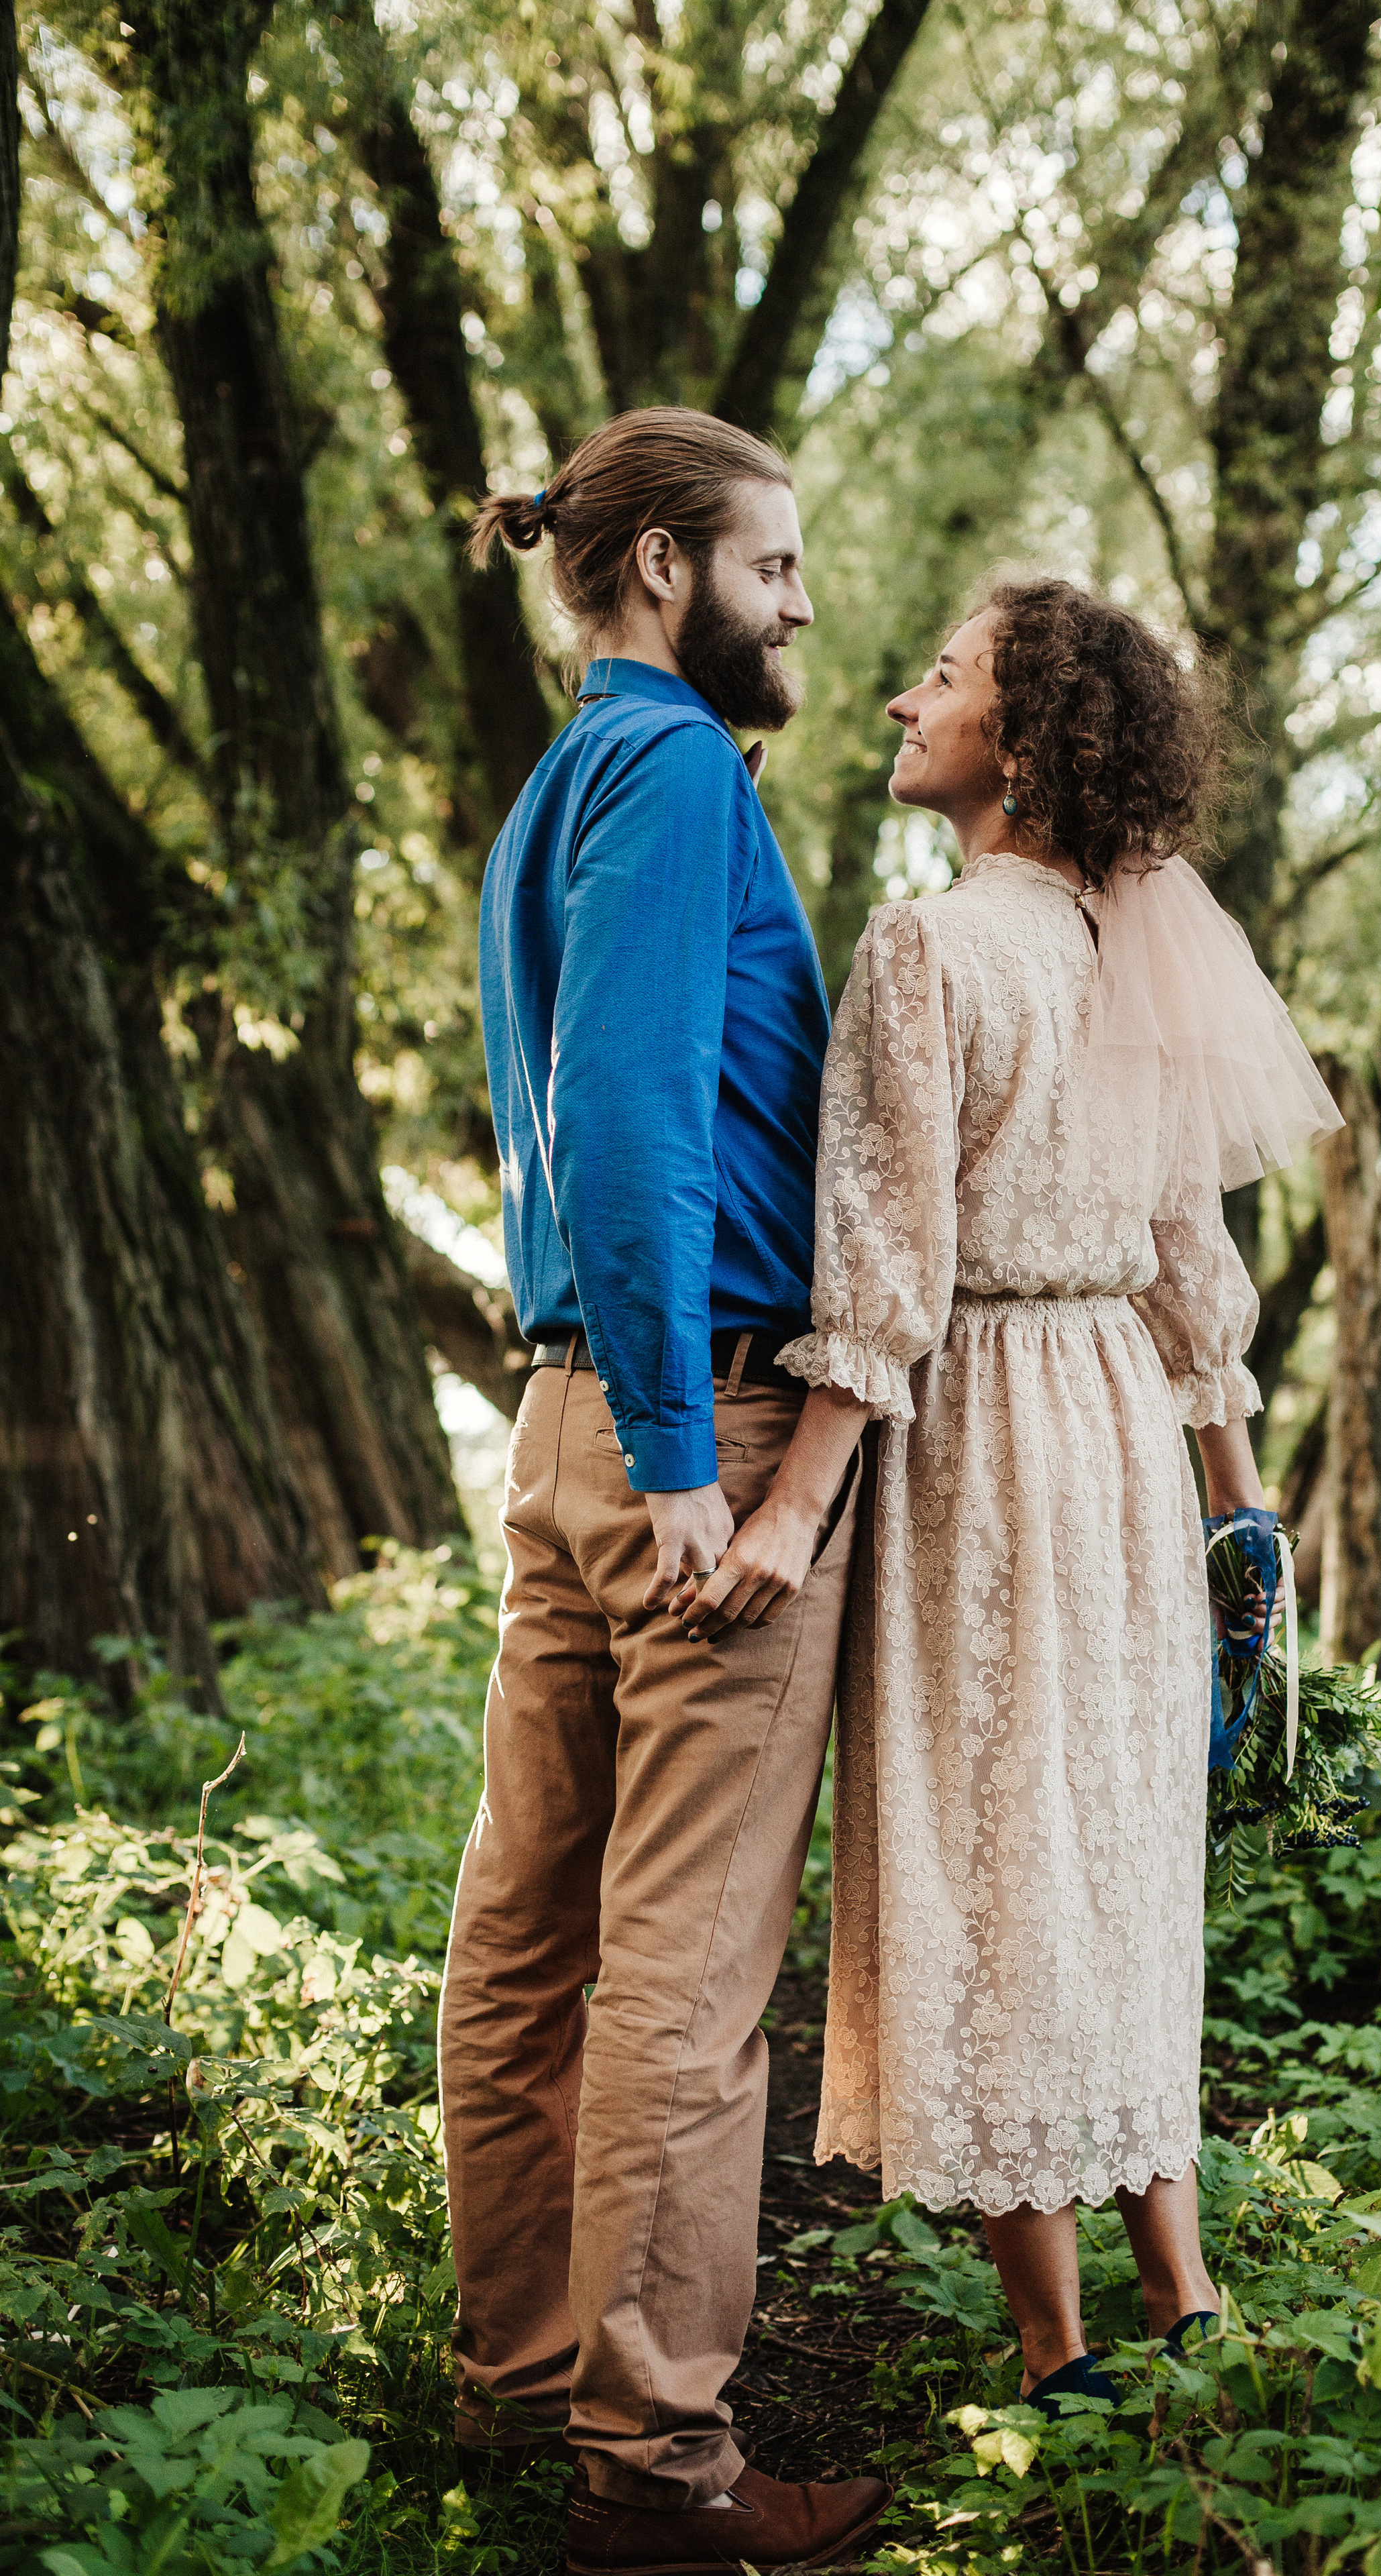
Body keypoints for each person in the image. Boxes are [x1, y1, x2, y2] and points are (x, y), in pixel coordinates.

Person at [685, 576, 1341, 2407]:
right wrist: (1242, 1511)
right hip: (1126, 1436)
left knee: (993, 1865)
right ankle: (1183, 2295)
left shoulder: (928, 949)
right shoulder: (1135, 940)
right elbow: (1188, 1263)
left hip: (976, 1433)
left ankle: (1061, 2357)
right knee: (1118, 1856)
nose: (901, 700)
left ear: (1023, 746)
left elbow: (882, 1275)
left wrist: (794, 1506)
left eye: (942, 679)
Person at [441, 406, 885, 2571]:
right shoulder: (681, 775)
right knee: (684, 1986)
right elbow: (623, 1119)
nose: (805, 608)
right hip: (676, 1424)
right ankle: (658, 2478)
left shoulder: (556, 792)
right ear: (656, 576)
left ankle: (526, 2383)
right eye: (775, 567)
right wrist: (702, 1459)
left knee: (526, 1938)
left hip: (561, 1431)